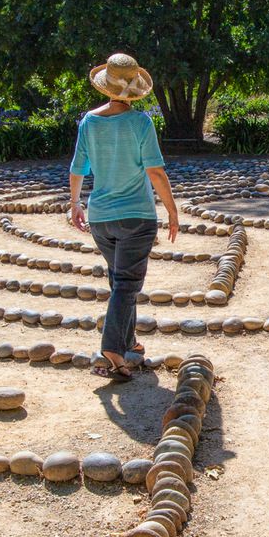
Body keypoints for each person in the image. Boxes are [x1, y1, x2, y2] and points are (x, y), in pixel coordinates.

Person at [68, 52, 179, 380]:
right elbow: (155, 172)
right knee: (128, 283)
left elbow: (78, 168)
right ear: (134, 91)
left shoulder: (89, 121)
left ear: (106, 87)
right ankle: (111, 350)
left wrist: (74, 203)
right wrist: (172, 210)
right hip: (136, 217)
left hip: (100, 217)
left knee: (119, 281)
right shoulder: (141, 122)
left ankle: (128, 341)